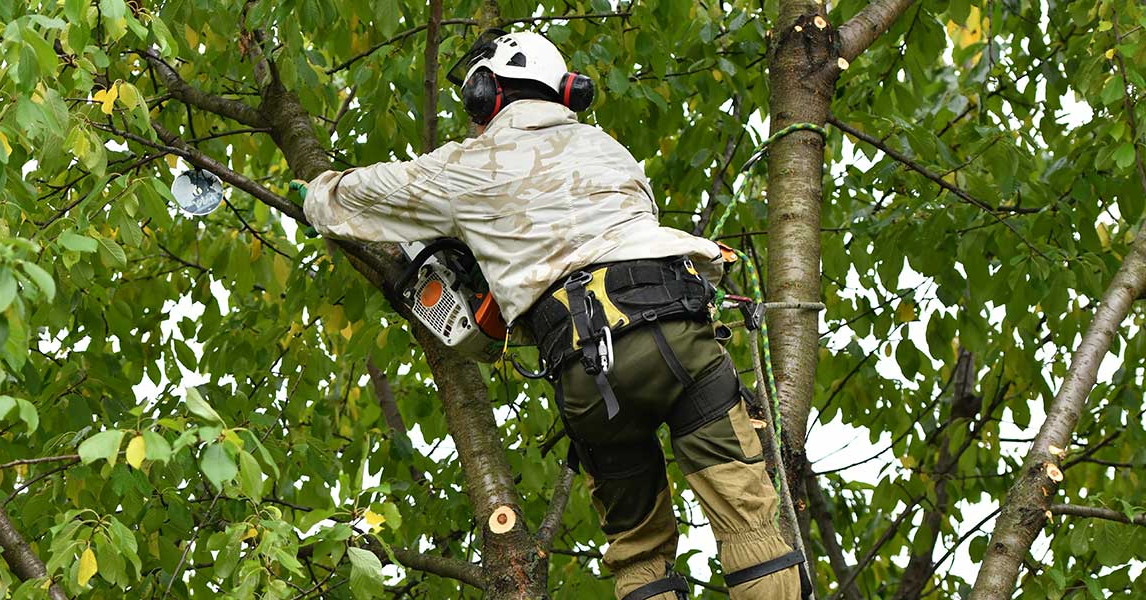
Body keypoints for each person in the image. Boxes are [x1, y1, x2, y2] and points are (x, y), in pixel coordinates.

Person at [303, 29, 805, 600]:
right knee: (750, 523)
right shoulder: (611, 149)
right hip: (680, 333)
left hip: (587, 371)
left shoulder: (466, 165)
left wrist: (313, 190)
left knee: (639, 551)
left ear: (488, 94)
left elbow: (348, 200)